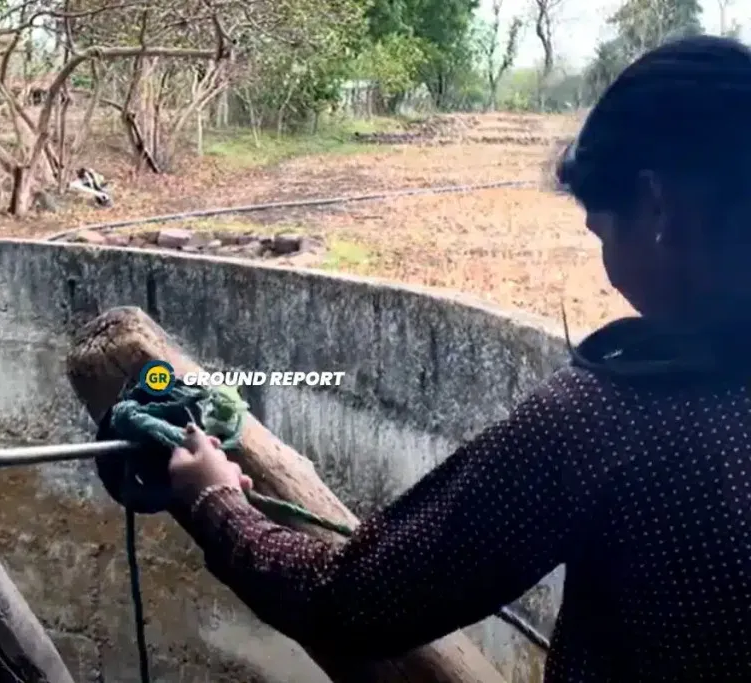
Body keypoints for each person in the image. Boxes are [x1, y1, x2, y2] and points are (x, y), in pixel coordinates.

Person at [166, 35, 751, 683]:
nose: (609, 271)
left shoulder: (611, 421)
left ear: (658, 205)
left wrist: (212, 497)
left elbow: (354, 600)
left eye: (603, 232)